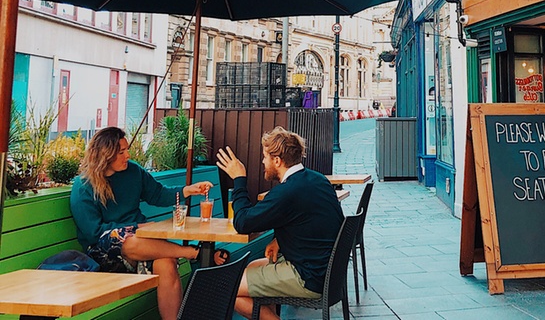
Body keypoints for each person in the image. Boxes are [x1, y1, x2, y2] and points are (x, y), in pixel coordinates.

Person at [70, 126, 222, 320]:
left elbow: (157, 194)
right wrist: (135, 228)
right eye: (121, 152)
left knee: (166, 263)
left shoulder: (133, 171)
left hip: (141, 244)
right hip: (104, 255)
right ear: (105, 155)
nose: (128, 155)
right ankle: (195, 253)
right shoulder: (83, 185)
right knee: (129, 239)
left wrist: (188, 190)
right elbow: (93, 232)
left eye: (127, 149)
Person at [216, 126, 344, 320]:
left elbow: (243, 223)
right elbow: (311, 221)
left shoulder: (287, 192)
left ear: (277, 160)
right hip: (329, 272)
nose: (262, 161)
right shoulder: (318, 180)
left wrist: (239, 179)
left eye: (265, 157)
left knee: (226, 287)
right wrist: (279, 239)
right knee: (251, 267)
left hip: (308, 276)